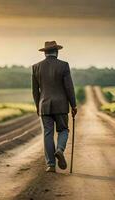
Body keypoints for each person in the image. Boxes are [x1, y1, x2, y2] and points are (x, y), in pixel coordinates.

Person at [32, 41, 77, 172]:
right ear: (56, 52)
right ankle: (60, 150)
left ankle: (51, 165)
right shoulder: (63, 66)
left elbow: (35, 91)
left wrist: (37, 107)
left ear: (45, 53)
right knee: (63, 130)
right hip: (61, 106)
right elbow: (69, 87)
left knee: (47, 134)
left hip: (44, 106)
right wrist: (73, 105)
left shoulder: (36, 67)